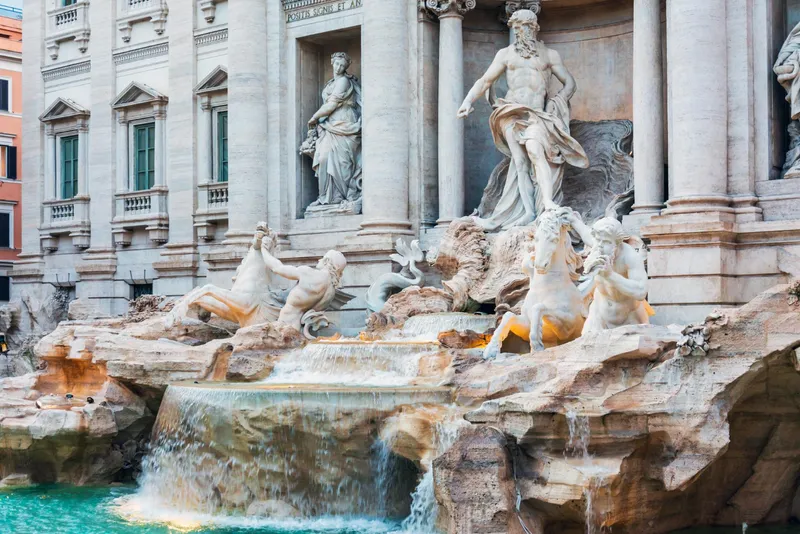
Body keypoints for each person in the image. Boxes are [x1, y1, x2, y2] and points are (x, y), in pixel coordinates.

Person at [457, 9, 588, 231]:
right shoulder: (505, 54)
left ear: (535, 27)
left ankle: (547, 203)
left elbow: (570, 83)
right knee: (519, 162)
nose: (521, 31)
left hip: (536, 114)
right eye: (517, 27)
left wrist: (556, 102)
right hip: (511, 112)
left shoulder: (549, 55)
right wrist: (467, 101)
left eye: (526, 26)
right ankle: (528, 212)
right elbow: (485, 80)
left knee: (536, 151)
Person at [567, 213, 653, 333]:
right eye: (597, 240)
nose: (599, 246)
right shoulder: (600, 246)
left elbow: (640, 291)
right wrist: (572, 219)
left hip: (630, 318)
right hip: (599, 316)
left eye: (606, 242)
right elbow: (586, 233)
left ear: (617, 244)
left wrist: (610, 275)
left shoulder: (629, 256)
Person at [304, 52, 363, 216]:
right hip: (329, 125)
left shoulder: (344, 81)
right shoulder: (330, 83)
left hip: (344, 122)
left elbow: (332, 104)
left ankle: (340, 196)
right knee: (323, 158)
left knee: (342, 162)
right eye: (336, 64)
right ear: (332, 63)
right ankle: (325, 197)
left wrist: (314, 118)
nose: (338, 68)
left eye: (342, 65)